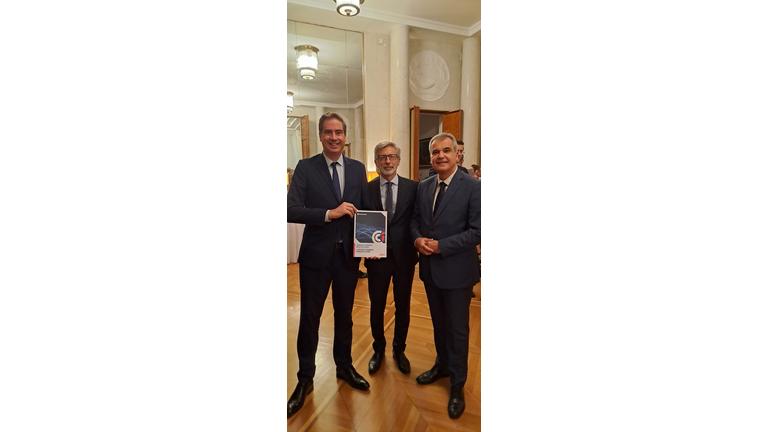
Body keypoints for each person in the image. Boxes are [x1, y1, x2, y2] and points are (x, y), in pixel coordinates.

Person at [286, 112, 371, 418]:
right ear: (320, 136)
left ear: (345, 136)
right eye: (328, 132)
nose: (334, 137)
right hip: (316, 258)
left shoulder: (358, 168)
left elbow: (365, 211)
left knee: (345, 316)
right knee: (310, 318)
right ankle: (305, 378)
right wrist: (328, 214)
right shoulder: (306, 167)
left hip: (348, 258)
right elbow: (291, 209)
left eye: (339, 132)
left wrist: (372, 244)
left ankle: (344, 366)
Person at [411, 132, 480, 419]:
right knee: (439, 324)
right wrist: (417, 239)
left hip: (458, 272)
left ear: (457, 154)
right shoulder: (424, 186)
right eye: (435, 151)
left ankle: (458, 383)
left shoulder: (473, 187)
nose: (440, 155)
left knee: (457, 330)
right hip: (430, 271)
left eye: (446, 150)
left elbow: (478, 231)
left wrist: (442, 246)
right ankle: (441, 366)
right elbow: (415, 220)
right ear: (431, 156)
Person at [363, 141, 418, 376]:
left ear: (398, 160)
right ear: (376, 161)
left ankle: (399, 350)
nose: (387, 161)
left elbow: (417, 219)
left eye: (392, 156)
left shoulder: (413, 188)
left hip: (405, 258)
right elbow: (361, 222)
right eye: (382, 157)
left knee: (403, 306)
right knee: (376, 306)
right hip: (376, 259)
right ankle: (378, 350)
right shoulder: (365, 189)